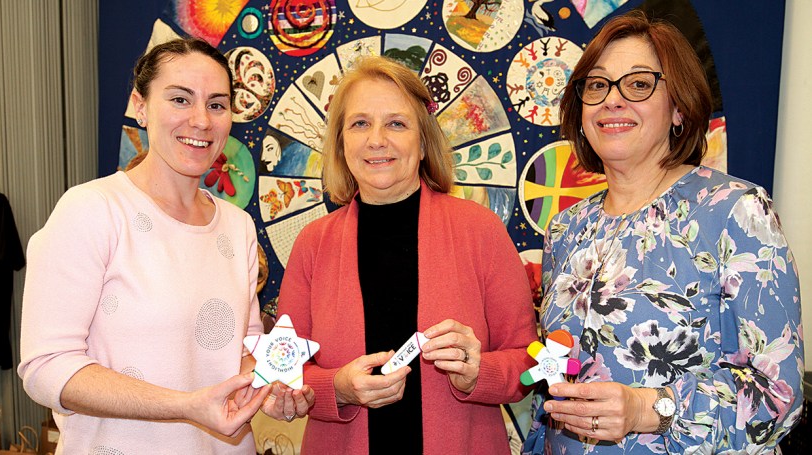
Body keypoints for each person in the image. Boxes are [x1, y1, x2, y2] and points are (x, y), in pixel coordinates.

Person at [17, 38, 313, 454]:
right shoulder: (92, 210)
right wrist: (185, 406)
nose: (201, 120)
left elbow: (243, 351)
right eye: (180, 99)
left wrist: (272, 386)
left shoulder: (238, 227)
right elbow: (46, 368)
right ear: (140, 106)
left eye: (216, 104)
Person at [529, 11, 804, 454]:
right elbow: (556, 376)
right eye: (597, 85)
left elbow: (777, 396)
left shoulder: (735, 210)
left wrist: (648, 408)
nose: (611, 100)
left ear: (678, 108)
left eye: (638, 84)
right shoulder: (566, 228)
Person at [277, 55, 538, 454]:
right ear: (341, 143)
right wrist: (338, 388)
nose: (376, 139)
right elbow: (283, 371)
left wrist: (477, 372)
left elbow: (528, 361)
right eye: (360, 123)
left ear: (423, 143)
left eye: (396, 123)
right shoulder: (312, 244)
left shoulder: (481, 230)